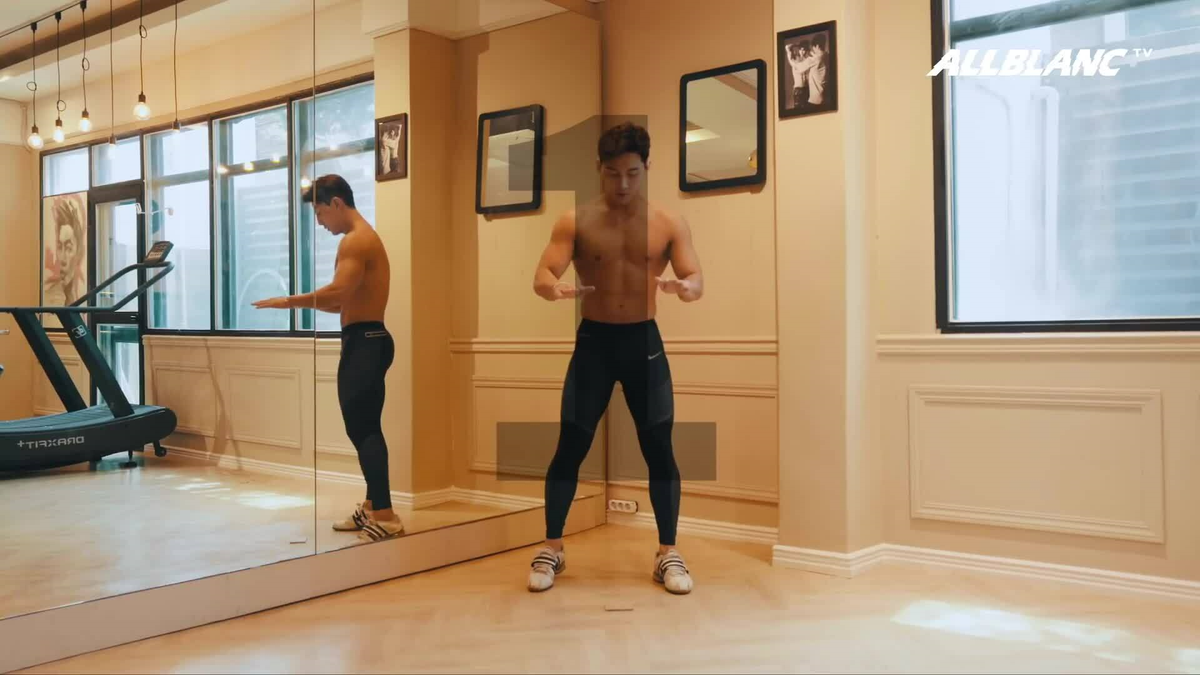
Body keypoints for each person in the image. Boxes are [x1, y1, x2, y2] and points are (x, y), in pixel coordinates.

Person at [527, 122, 704, 595]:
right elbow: (543, 273)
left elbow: (695, 278)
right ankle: (552, 546)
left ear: (646, 167)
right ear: (599, 169)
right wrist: (552, 288)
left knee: (659, 449)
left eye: (632, 173)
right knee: (570, 446)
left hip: (643, 344)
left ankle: (668, 552)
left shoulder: (668, 222)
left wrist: (685, 287)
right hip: (595, 344)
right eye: (612, 173)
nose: (622, 183)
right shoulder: (575, 221)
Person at [252, 174, 402, 542]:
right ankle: (373, 506)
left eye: (320, 213)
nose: (319, 222)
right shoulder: (360, 239)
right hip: (367, 339)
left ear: (336, 203)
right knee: (364, 427)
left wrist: (288, 301)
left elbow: (337, 291)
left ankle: (386, 515)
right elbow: (340, 302)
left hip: (366, 341)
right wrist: (304, 302)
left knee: (363, 429)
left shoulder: (357, 240)